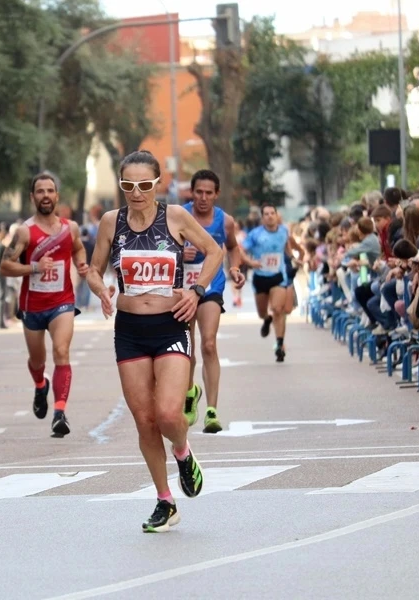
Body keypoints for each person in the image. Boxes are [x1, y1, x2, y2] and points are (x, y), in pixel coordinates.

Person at [86, 150, 224, 533]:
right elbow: (94, 270)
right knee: (145, 422)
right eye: (128, 185)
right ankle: (165, 501)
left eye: (144, 185)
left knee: (167, 415)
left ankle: (182, 450)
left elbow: (215, 251)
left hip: (171, 323)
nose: (136, 192)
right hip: (129, 330)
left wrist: (196, 292)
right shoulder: (111, 223)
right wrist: (100, 289)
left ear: (157, 184)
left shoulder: (176, 217)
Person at [0, 172, 89, 437]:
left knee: (61, 351)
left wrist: (81, 263)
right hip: (33, 305)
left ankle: (60, 413)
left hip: (62, 302)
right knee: (37, 361)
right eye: (40, 191)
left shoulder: (69, 228)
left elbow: (78, 248)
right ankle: (41, 385)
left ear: (57, 196)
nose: (46, 196)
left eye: (50, 191)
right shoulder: (25, 232)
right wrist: (35, 267)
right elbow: (5, 266)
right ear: (32, 197)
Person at [182, 170, 245, 434]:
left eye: (209, 193)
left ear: (216, 194)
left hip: (211, 286)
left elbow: (232, 247)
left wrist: (234, 268)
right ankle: (189, 392)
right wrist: (178, 251)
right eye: (199, 192)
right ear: (192, 192)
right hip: (183, 288)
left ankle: (211, 410)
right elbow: (161, 246)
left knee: (208, 344)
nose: (203, 198)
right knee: (186, 350)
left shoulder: (225, 221)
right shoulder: (179, 216)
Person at [242, 204, 305, 362]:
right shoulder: (255, 234)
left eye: (272, 213)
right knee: (263, 312)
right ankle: (266, 319)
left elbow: (287, 249)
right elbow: (240, 250)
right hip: (260, 277)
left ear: (277, 215)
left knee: (278, 309)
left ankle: (279, 345)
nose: (270, 216)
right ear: (262, 218)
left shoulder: (284, 231)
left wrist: (293, 258)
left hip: (278, 275)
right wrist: (250, 261)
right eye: (266, 214)